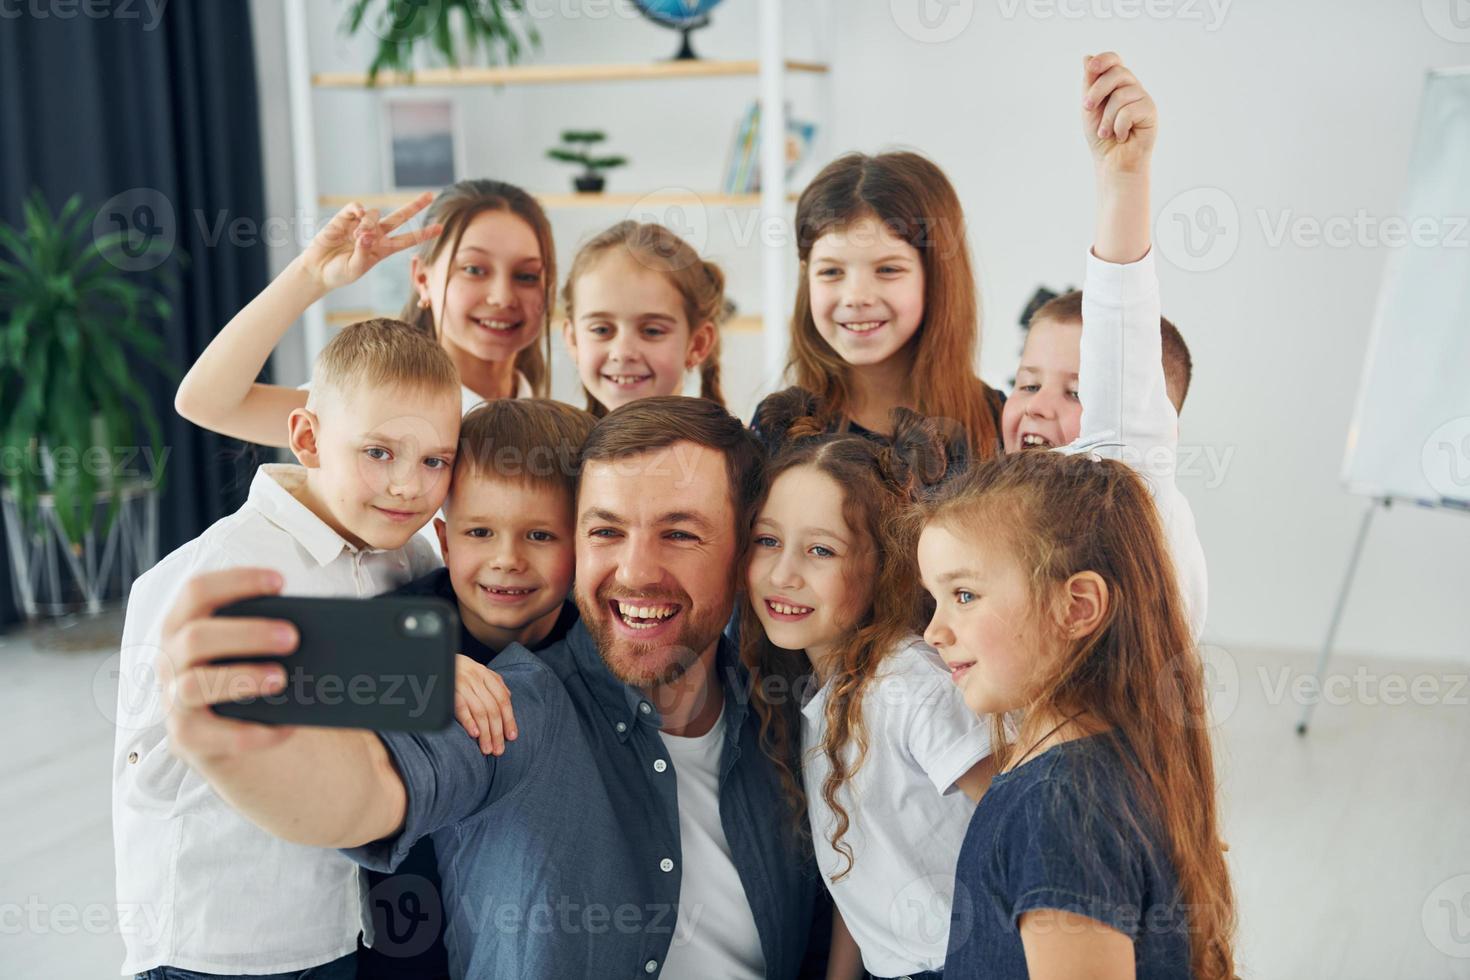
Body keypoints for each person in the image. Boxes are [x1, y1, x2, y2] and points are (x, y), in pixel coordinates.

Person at [154, 397, 829, 979]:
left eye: (680, 533)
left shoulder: (792, 703)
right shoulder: (518, 703)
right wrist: (232, 745)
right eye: (606, 531)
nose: (635, 570)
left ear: (746, 551)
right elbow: (365, 789)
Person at [113, 319, 464, 979]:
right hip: (215, 942)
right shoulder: (219, 567)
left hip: (334, 929)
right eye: (379, 453)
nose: (408, 487)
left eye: (434, 460)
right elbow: (151, 765)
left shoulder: (409, 558)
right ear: (307, 439)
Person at [741, 393, 994, 980]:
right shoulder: (822, 694)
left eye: (820, 551)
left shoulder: (906, 682)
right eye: (768, 541)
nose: (784, 574)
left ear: (883, 564)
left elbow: (1019, 814)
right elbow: (858, 871)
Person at [357, 397, 593, 980]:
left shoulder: (594, 636)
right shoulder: (402, 622)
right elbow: (299, 665)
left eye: (540, 535)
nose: (506, 560)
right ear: (443, 536)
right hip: (406, 930)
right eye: (480, 532)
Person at [175, 180, 556, 448]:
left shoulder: (551, 421)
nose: (503, 296)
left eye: (526, 276)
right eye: (474, 269)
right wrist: (308, 277)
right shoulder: (371, 396)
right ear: (422, 278)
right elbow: (207, 404)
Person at [752, 150, 1005, 473]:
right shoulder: (780, 425)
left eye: (887, 270)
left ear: (938, 278)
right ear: (806, 275)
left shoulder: (996, 423)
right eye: (831, 272)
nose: (856, 297)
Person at [561, 221, 724, 415]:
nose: (622, 352)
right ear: (573, 340)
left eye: (652, 331)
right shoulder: (559, 444)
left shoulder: (730, 445)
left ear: (697, 344)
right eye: (601, 330)